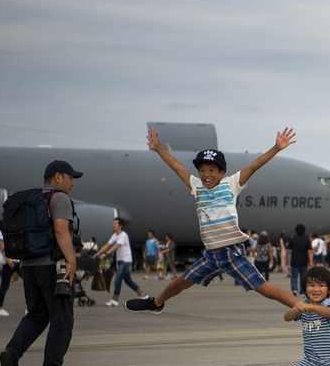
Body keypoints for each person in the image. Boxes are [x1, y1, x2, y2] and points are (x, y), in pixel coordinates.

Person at [125, 128, 304, 314]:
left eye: (211, 170)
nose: (206, 174)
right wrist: (158, 148)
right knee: (180, 282)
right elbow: (177, 167)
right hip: (211, 255)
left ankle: (302, 307)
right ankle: (156, 304)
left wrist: (276, 148)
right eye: (202, 170)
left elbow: (254, 165)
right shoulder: (197, 186)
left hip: (231, 253)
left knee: (264, 288)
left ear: (222, 172)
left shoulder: (231, 184)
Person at [0, 161, 84, 366]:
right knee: (62, 319)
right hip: (52, 267)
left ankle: (12, 352)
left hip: (28, 267)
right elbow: (60, 229)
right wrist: (72, 260)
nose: (72, 182)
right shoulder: (59, 198)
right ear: (57, 177)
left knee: (36, 315)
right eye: (69, 177)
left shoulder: (32, 199)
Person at [94, 217, 146, 307]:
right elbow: (108, 245)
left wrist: (105, 254)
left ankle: (115, 300)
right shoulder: (115, 235)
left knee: (117, 279)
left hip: (126, 261)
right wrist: (97, 253)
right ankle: (143, 295)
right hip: (121, 261)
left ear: (120, 226)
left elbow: (116, 246)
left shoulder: (123, 235)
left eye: (115, 223)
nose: (113, 225)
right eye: (113, 223)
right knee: (128, 281)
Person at [0, 231, 20, 317]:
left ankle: (31, 307)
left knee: (30, 284)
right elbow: (0, 241)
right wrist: (7, 258)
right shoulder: (7, 224)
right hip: (10, 261)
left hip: (20, 260)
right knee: (4, 284)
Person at [287, 224, 312, 296]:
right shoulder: (307, 240)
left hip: (294, 260)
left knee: (294, 275)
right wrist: (311, 261)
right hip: (304, 261)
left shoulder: (293, 239)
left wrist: (285, 258)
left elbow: (288, 249)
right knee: (303, 276)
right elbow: (309, 251)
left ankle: (294, 289)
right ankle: (302, 291)